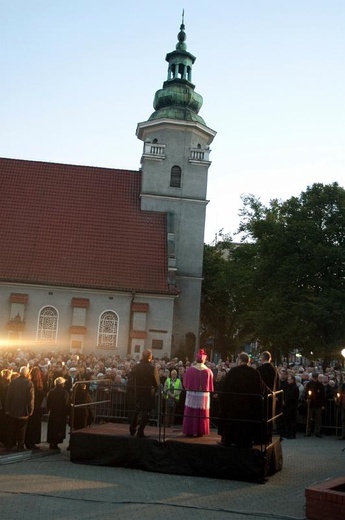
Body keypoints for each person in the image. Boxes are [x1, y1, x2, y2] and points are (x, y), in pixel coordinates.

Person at [218, 352, 265, 448]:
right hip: (248, 406)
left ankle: (229, 440)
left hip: (233, 404)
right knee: (246, 424)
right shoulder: (254, 373)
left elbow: (226, 388)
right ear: (248, 361)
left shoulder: (233, 372)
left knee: (232, 422)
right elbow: (259, 390)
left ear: (239, 360)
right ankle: (246, 441)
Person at [182, 349, 214, 437]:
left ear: (196, 359)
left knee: (191, 412)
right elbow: (210, 386)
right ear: (204, 360)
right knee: (202, 413)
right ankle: (200, 430)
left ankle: (190, 430)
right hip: (203, 395)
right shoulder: (208, 371)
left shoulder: (190, 370)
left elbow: (185, 384)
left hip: (192, 394)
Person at [129, 349, 159, 438]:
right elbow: (156, 382)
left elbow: (131, 378)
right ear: (150, 357)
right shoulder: (152, 368)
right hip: (147, 393)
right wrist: (155, 389)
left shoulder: (136, 367)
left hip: (138, 392)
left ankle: (132, 429)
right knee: (146, 412)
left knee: (137, 410)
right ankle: (140, 431)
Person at [5, 366, 35, 452]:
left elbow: (8, 396)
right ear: (27, 373)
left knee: (11, 428)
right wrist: (31, 410)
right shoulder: (29, 383)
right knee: (22, 429)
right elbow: (30, 399)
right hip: (23, 411)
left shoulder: (13, 382)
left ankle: (9, 445)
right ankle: (20, 446)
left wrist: (7, 408)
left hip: (12, 409)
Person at [256, 351, 279, 442]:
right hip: (271, 396)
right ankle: (268, 437)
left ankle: (260, 438)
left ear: (262, 358)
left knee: (261, 416)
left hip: (261, 397)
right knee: (269, 417)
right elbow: (277, 384)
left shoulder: (259, 369)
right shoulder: (274, 369)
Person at [25, 366, 46, 449]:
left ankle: (27, 441)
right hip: (37, 408)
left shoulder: (29, 383)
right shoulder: (39, 385)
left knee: (29, 425)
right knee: (35, 426)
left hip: (30, 407)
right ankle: (32, 442)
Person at [46, 376, 70, 450]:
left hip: (53, 412)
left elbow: (48, 402)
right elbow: (66, 403)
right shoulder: (64, 393)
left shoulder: (51, 392)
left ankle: (51, 442)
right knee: (58, 428)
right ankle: (56, 443)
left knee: (52, 427)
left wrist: (48, 410)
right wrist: (68, 413)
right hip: (61, 413)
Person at [305, 372, 326, 438]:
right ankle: (308, 431)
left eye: (315, 377)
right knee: (309, 418)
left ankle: (317, 431)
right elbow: (306, 393)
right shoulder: (309, 384)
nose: (314, 378)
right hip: (311, 403)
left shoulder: (320, 385)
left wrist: (323, 404)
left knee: (318, 419)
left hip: (318, 404)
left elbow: (323, 395)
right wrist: (307, 399)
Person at [283, 374, 299, 439]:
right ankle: (287, 433)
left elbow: (293, 397)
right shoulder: (287, 387)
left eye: (289, 379)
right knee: (287, 420)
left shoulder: (295, 388)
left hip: (292, 406)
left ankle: (292, 434)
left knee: (292, 421)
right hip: (287, 406)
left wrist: (286, 401)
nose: (288, 381)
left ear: (293, 380)